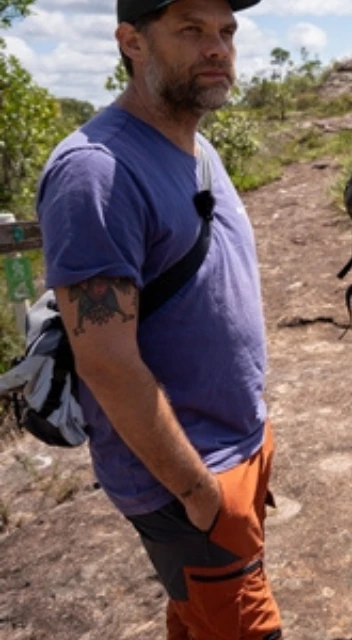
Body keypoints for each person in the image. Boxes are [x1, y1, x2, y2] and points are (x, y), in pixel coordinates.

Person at [36, 0, 282, 637]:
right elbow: (106, 361)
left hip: (237, 445)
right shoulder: (95, 172)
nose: (217, 48)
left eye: (226, 31)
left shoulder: (198, 147)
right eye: (191, 30)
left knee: (196, 623)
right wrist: (200, 494)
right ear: (132, 42)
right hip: (187, 476)